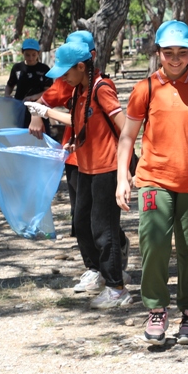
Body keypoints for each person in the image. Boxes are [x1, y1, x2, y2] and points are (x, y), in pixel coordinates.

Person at [116, 20, 188, 345]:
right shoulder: (145, 88)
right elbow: (127, 137)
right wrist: (123, 176)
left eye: (182, 53)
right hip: (153, 180)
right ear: (158, 53)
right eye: (168, 53)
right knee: (154, 245)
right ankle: (156, 309)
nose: (175, 59)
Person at [28, 41, 132, 309]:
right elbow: (79, 123)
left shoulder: (101, 89)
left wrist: (124, 170)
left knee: (104, 228)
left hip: (106, 169)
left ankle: (116, 288)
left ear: (82, 66)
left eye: (66, 73)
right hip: (85, 167)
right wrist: (48, 113)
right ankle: (101, 275)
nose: (63, 78)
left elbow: (126, 129)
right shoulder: (79, 90)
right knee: (82, 222)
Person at [33, 30, 95, 255]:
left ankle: (112, 255)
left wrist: (46, 112)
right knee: (79, 213)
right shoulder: (64, 82)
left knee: (96, 215)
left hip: (99, 158)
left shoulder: (100, 87)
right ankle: (92, 265)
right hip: (73, 156)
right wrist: (36, 115)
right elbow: (41, 101)